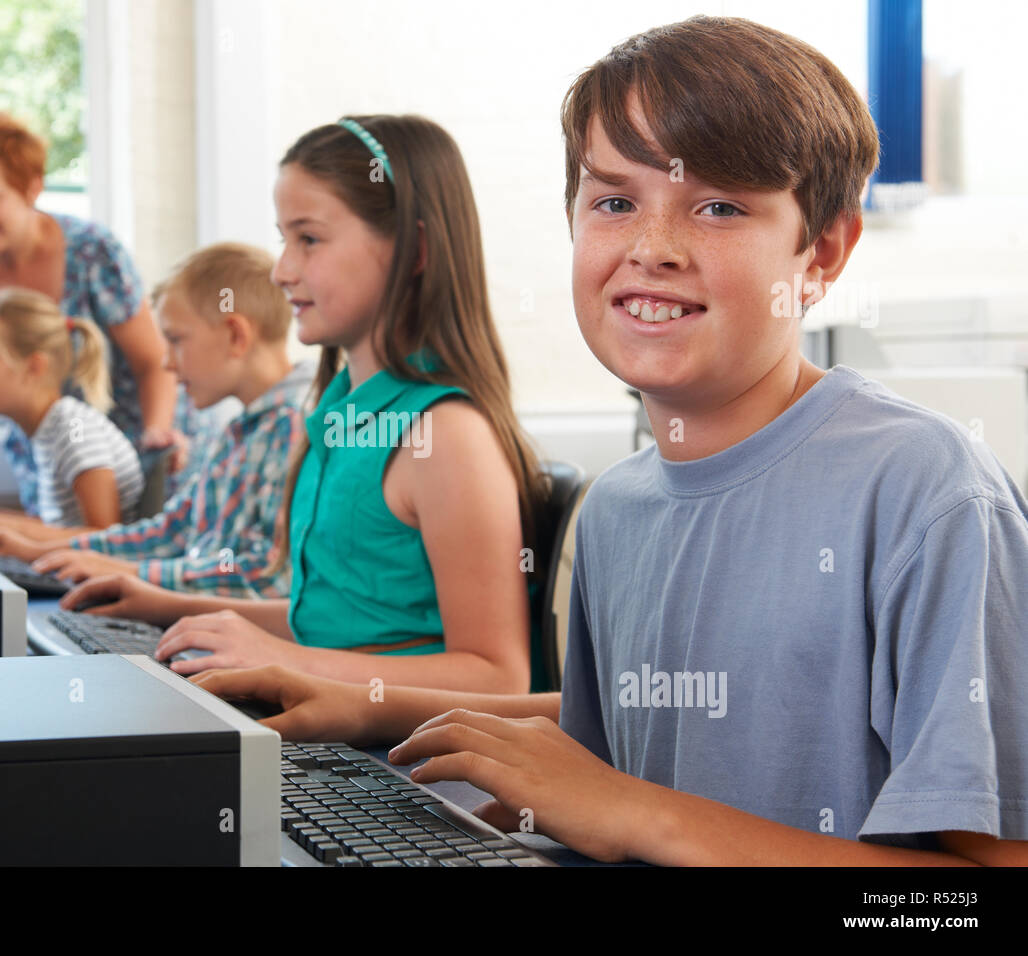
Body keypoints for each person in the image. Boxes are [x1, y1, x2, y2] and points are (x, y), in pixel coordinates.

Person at [190, 17, 1028, 866]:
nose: (651, 247)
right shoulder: (620, 506)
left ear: (824, 250)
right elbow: (648, 724)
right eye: (615, 202)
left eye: (719, 207)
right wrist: (370, 704)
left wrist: (638, 815)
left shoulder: (926, 492)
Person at [59, 115, 548, 695]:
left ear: (414, 249)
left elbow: (500, 678)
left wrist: (282, 660)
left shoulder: (444, 434)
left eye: (308, 239)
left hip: (406, 768)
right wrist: (164, 606)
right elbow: (325, 626)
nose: (282, 270)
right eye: (282, 239)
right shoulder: (340, 412)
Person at [0, 242, 313, 599]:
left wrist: (131, 574)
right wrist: (42, 546)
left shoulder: (294, 428)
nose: (166, 362)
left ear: (235, 335)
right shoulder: (237, 434)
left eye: (176, 340)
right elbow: (166, 534)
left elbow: (268, 574)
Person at [0, 111, 176, 516]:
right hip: (43, 442)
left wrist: (158, 435)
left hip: (123, 438)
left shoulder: (92, 251)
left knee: (95, 547)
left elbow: (152, 362)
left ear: (31, 188)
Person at [0, 287, 143, 533]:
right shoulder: (48, 430)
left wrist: (1, 525)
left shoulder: (75, 430)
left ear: (34, 367)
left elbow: (104, 535)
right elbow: (61, 527)